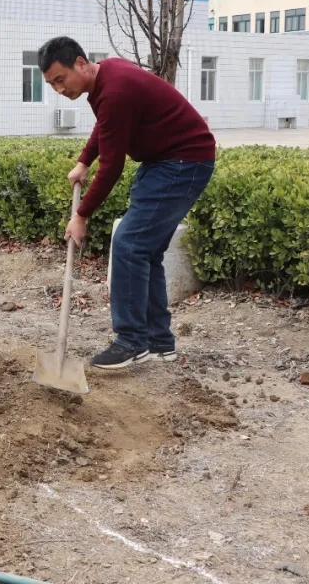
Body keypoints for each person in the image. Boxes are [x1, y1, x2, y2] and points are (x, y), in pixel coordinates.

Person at [38, 36, 216, 370]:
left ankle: (131, 341)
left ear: (80, 63)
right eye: (52, 85)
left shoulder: (116, 89)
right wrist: (84, 161)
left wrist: (81, 215)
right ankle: (158, 341)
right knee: (145, 251)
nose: (59, 89)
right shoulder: (106, 79)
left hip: (182, 162)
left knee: (129, 243)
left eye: (61, 79)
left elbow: (113, 166)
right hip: (166, 162)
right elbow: (106, 126)